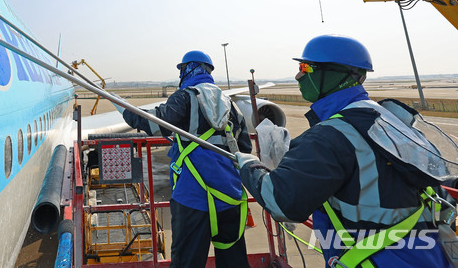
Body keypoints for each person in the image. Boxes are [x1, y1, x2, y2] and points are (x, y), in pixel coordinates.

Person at [237, 34, 456, 268]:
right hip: (428, 256)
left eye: (305, 67)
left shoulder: (328, 137)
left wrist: (249, 165)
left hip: (376, 261)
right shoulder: (393, 120)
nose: (298, 76)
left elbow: (282, 201)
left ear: (330, 74)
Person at [119, 50, 252, 268]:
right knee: (233, 261)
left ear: (188, 69)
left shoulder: (185, 97)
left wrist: (127, 111)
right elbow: (245, 148)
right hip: (230, 197)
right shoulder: (230, 104)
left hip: (193, 199)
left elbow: (154, 123)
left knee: (187, 262)